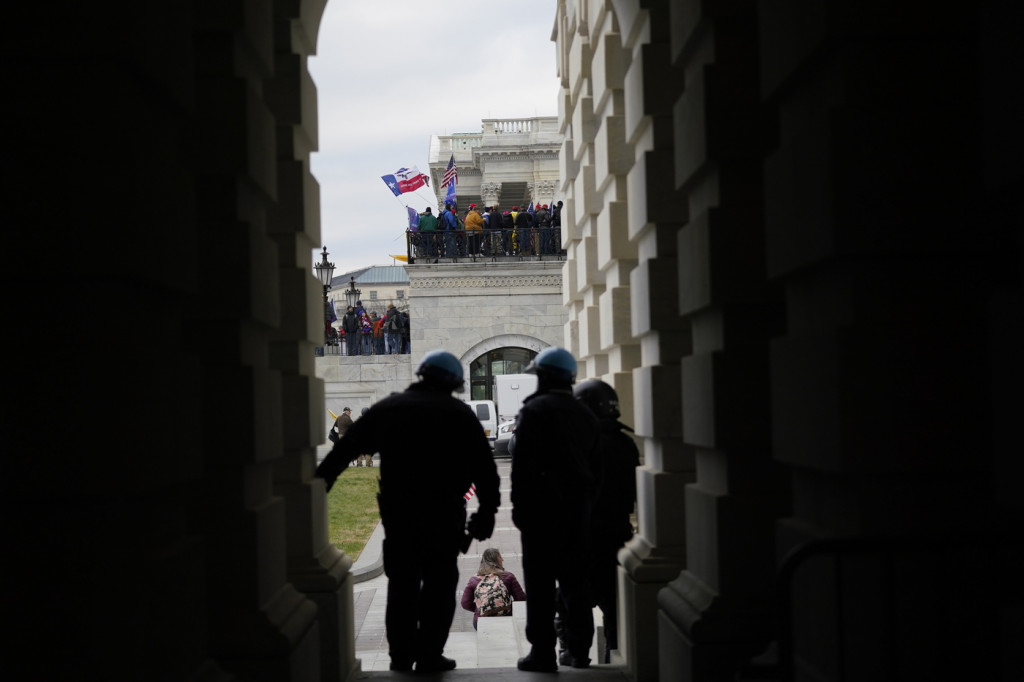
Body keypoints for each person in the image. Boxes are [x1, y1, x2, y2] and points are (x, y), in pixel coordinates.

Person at [315, 350, 500, 674]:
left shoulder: (389, 408)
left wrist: (320, 487)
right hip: (444, 517)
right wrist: (486, 514)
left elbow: (344, 450)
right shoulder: (459, 414)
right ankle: (430, 654)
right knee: (440, 587)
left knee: (401, 588)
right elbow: (485, 472)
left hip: (400, 517)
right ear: (454, 382)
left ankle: (401, 656)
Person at [510, 347, 601, 672]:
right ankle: (579, 650)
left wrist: (519, 510)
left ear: (545, 377)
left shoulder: (534, 411)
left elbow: (522, 470)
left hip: (541, 513)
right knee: (576, 582)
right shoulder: (587, 414)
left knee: (540, 584)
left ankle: (543, 652)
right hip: (578, 512)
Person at [572, 379, 639, 663]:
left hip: (586, 533)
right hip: (618, 532)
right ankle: (611, 655)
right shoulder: (626, 443)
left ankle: (575, 655)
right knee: (614, 607)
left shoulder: (584, 445)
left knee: (574, 599)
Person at [460, 548, 526, 630]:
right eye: (500, 557)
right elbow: (521, 599)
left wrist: (483, 608)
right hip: (506, 619)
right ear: (496, 560)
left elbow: (465, 603)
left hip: (481, 622)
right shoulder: (508, 577)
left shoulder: (474, 580)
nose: (502, 559)